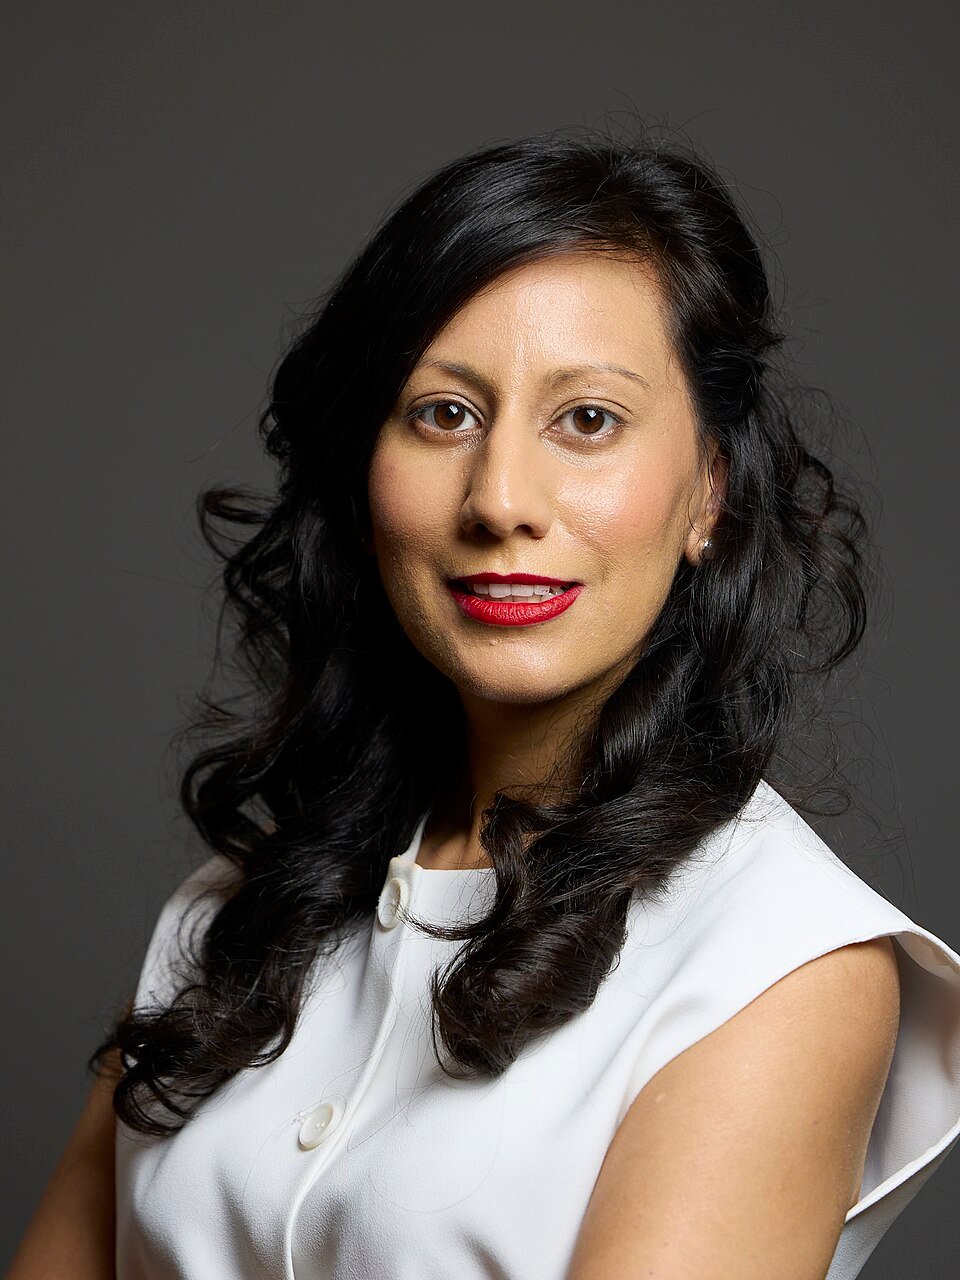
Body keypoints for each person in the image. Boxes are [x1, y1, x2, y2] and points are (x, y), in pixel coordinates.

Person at [8, 127, 960, 1280]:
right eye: (444, 414)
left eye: (588, 419)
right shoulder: (235, 906)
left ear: (710, 488)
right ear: (365, 476)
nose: (502, 498)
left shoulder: (782, 962)